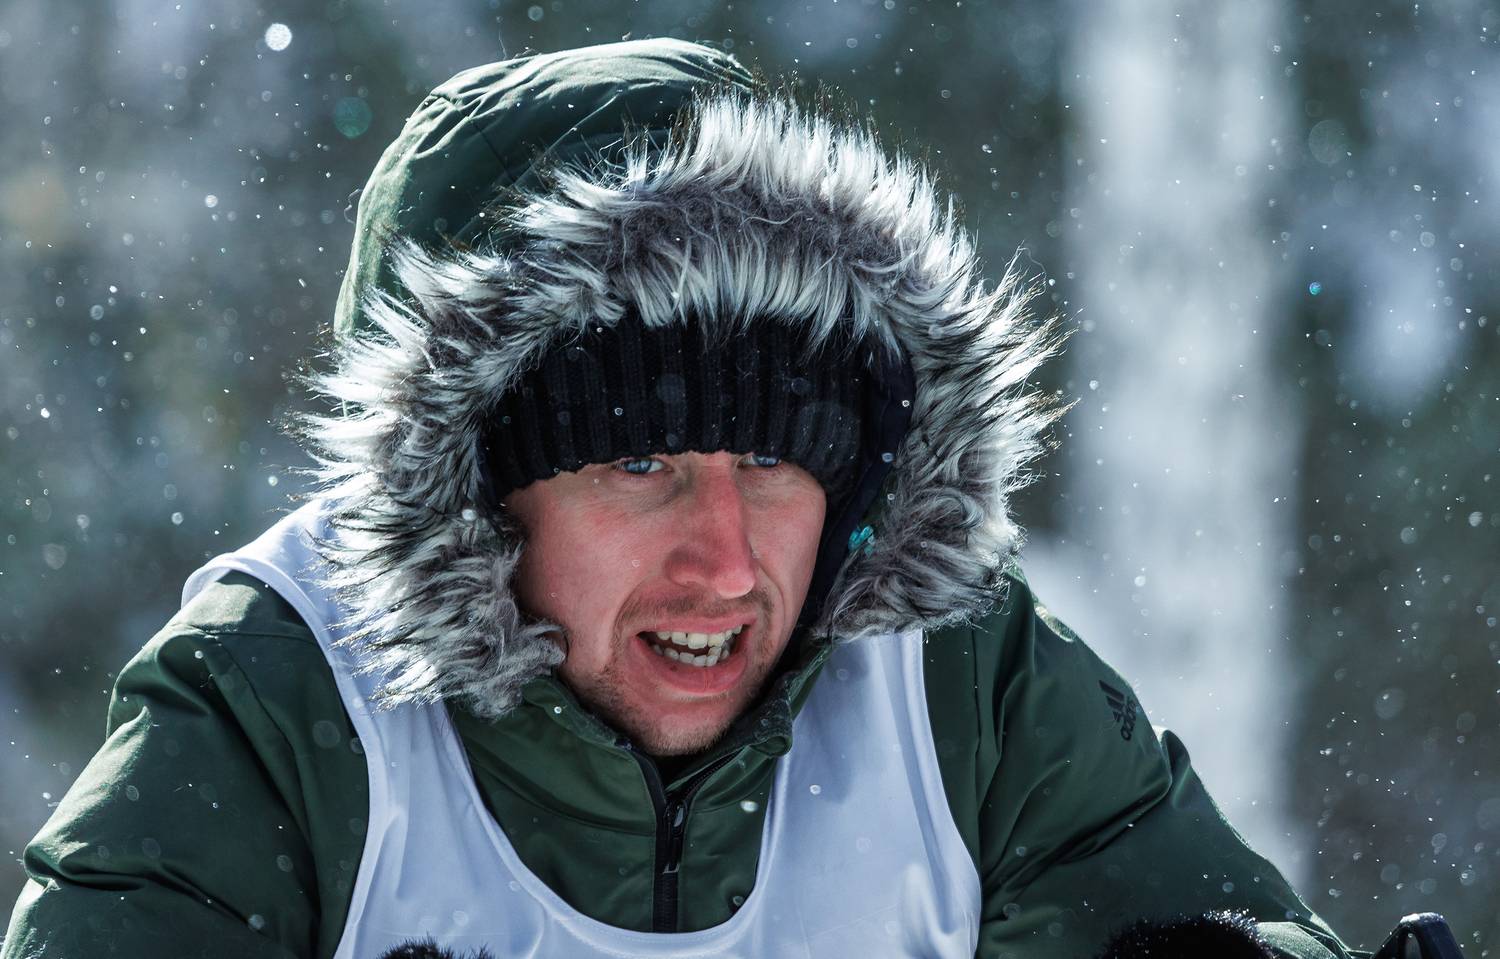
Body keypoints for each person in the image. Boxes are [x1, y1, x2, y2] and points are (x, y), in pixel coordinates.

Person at [2, 39, 1362, 959]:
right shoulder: (278, 706)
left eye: (773, 464)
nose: (724, 563)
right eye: (639, 465)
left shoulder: (952, 681)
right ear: (468, 498)